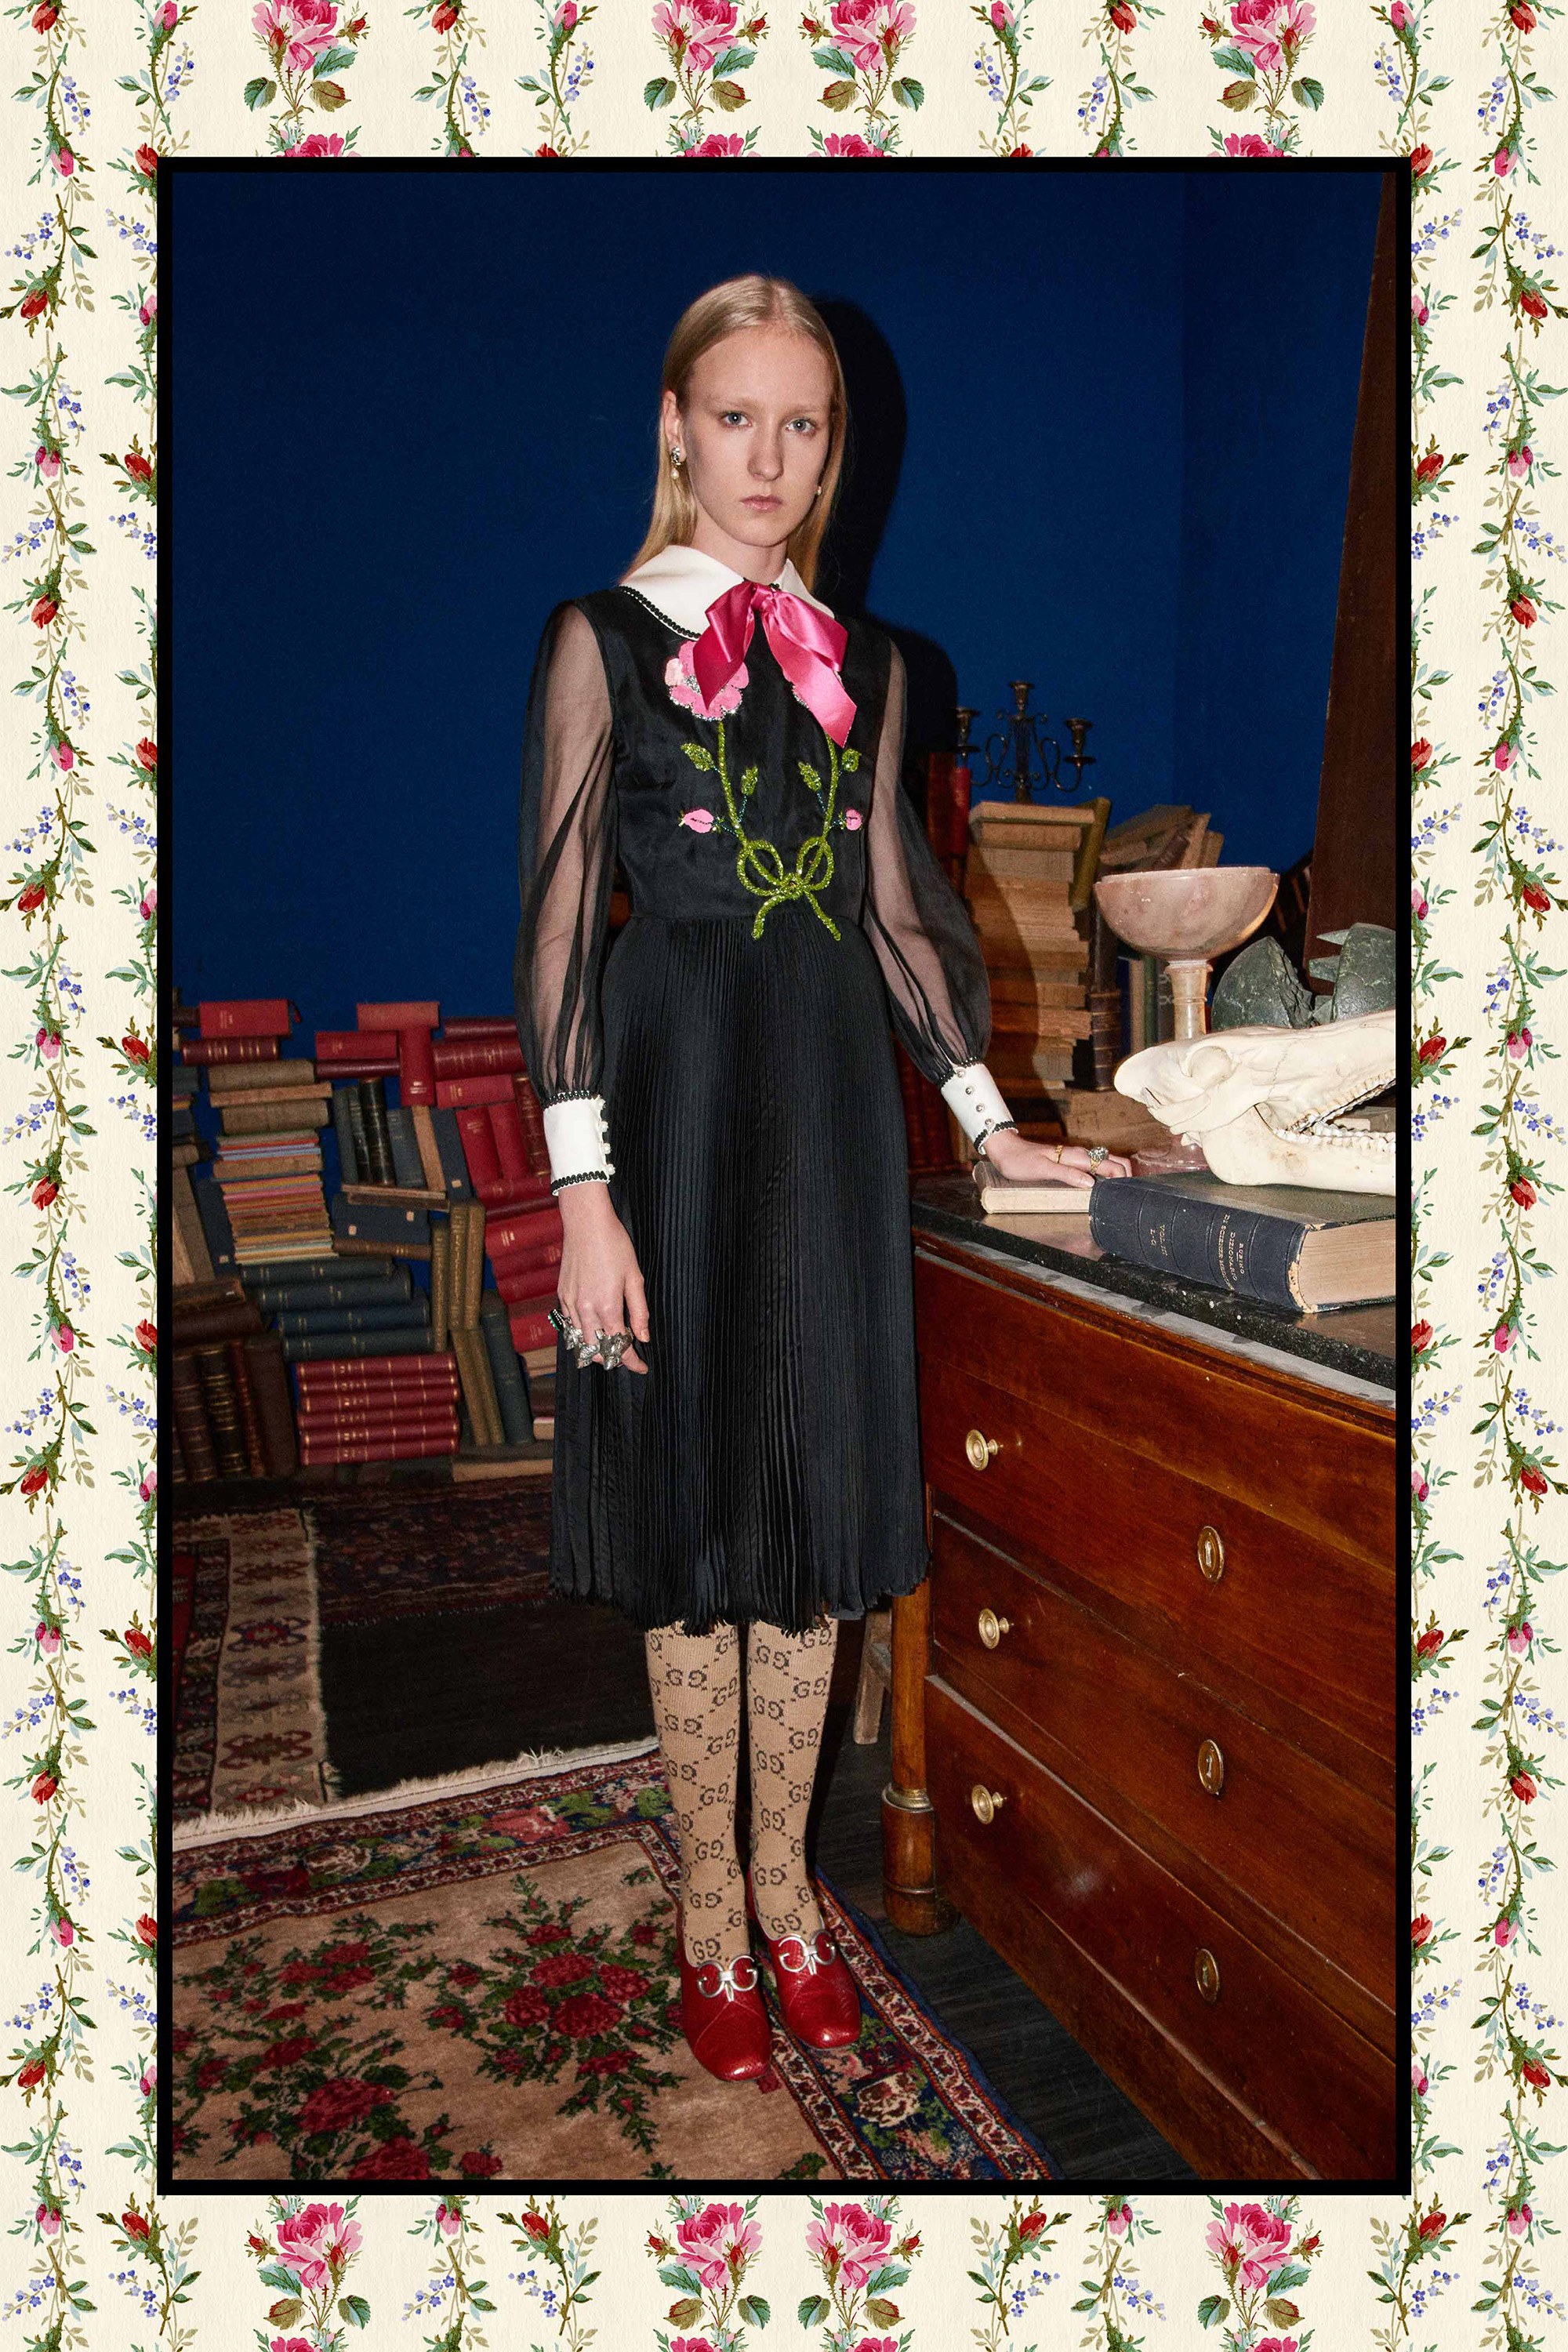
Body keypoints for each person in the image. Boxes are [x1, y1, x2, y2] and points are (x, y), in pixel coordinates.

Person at [514, 273, 1131, 2087]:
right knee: (695, 1521)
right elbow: (557, 924)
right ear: (675, 427)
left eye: (804, 424)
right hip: (668, 1106)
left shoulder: (876, 664)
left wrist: (985, 1115)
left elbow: (897, 918)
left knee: (811, 1518)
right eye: (737, 418)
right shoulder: (598, 638)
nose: (769, 458)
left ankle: (790, 1892)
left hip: (828, 1115)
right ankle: (709, 1915)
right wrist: (581, 1197)